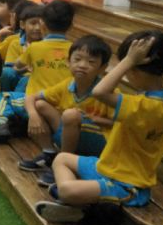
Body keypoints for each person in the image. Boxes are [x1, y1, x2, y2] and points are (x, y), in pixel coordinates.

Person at [35, 31, 163, 223]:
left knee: (66, 190)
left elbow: (99, 92)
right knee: (62, 158)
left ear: (133, 70)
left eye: (127, 68)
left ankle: (87, 209)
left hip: (127, 184)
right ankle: (84, 203)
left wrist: (129, 60)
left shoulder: (140, 106)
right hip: (107, 167)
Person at [18, 35, 114, 186]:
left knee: (70, 115)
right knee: (40, 105)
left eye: (91, 62)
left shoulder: (107, 92)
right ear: (68, 62)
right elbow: (31, 98)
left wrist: (93, 119)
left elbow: (121, 123)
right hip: (72, 136)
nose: (82, 65)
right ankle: (49, 153)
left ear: (102, 68)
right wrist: (33, 116)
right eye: (77, 59)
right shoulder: (68, 84)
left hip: (98, 143)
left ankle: (61, 166)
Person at [0, 0, 75, 141]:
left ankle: (0, 124)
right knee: (21, 80)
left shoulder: (35, 47)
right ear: (71, 26)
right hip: (64, 105)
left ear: (43, 24)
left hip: (36, 103)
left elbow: (18, 64)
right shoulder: (74, 49)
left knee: (5, 97)